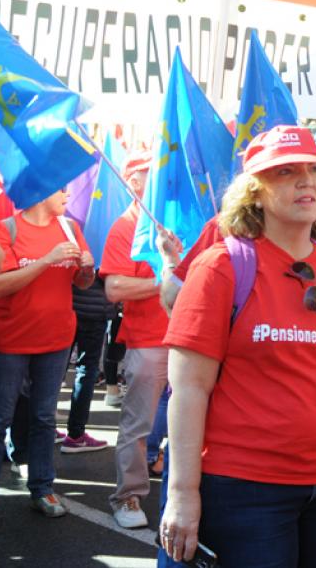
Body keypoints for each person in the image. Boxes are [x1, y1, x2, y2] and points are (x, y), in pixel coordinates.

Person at [159, 126, 316, 567]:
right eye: (285, 172)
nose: (306, 181)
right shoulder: (221, 266)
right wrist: (182, 495)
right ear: (255, 193)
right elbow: (187, 389)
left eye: (314, 170)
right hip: (247, 490)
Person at [0, 188, 94, 530]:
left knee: (44, 418)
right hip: (9, 343)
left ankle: (42, 488)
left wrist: (87, 270)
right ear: (40, 192)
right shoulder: (5, 229)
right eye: (61, 189)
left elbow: (82, 283)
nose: (68, 195)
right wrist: (46, 260)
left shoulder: (71, 228)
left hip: (55, 342)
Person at [102, 151, 181, 528]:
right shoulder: (125, 226)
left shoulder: (183, 218)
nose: (162, 180)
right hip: (148, 342)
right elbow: (114, 287)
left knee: (193, 422)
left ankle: (185, 495)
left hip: (190, 340)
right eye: (151, 174)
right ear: (133, 181)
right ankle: (128, 497)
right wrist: (162, 282)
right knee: (139, 425)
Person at [59, 275, 115, 453]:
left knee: (54, 367)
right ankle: (76, 435)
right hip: (95, 309)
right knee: (86, 370)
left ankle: (43, 427)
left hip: (66, 305)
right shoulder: (107, 246)